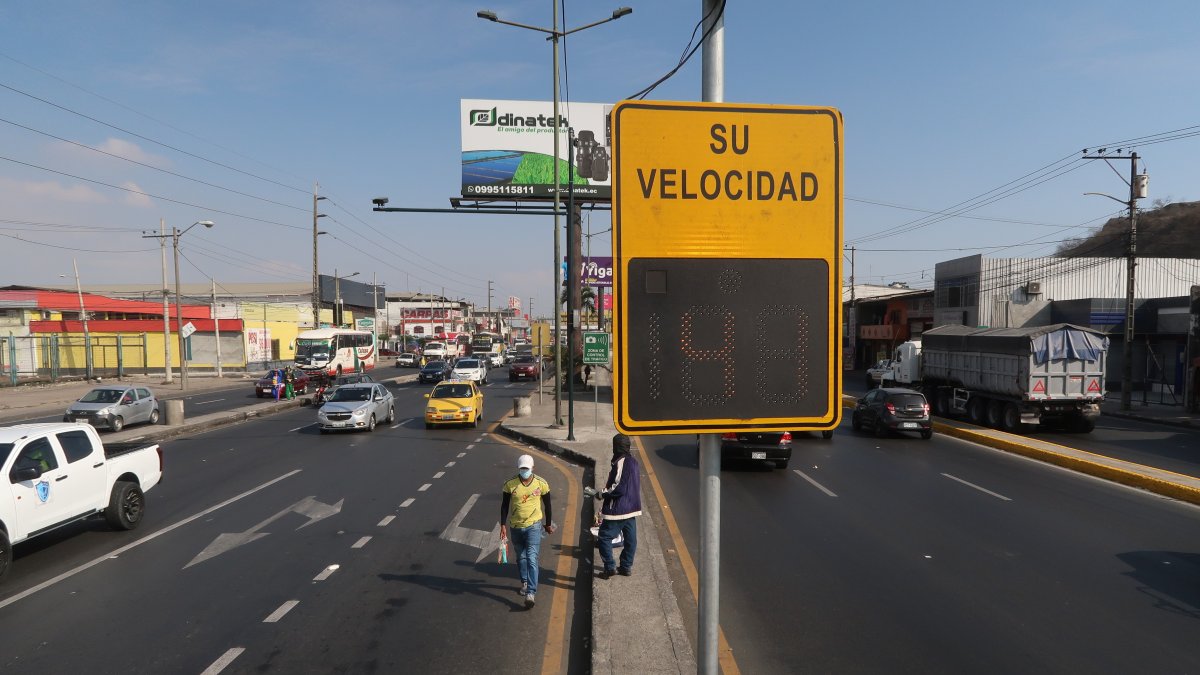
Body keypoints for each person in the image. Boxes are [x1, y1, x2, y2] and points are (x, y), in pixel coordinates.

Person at [500, 454, 555, 609]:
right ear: (519, 468)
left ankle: (531, 592)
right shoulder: (510, 484)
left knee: (532, 557)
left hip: (534, 526)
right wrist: (502, 525)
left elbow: (548, 505)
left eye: (527, 468)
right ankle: (525, 581)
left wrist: (548, 524)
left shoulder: (541, 483)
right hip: (515, 527)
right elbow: (504, 506)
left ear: (533, 468)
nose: (524, 471)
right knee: (521, 557)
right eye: (522, 468)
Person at [593, 433, 641, 579]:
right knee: (630, 539)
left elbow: (617, 487)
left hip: (618, 508)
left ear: (616, 447)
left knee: (604, 537)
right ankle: (626, 567)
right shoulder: (634, 462)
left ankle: (610, 567)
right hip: (633, 507)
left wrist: (602, 494)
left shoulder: (621, 462)